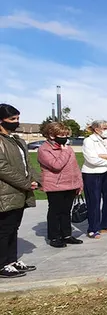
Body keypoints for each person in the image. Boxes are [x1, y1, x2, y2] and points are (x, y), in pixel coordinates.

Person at [0, 104, 37, 277]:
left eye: (17, 118)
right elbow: (3, 167)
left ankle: (11, 261)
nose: (16, 122)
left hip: (19, 190)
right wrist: (25, 183)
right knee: (4, 229)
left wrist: (35, 180)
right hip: (6, 191)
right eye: (12, 119)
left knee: (13, 227)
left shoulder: (17, 140)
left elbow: (27, 164)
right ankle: (2, 264)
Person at [38, 122, 84, 248]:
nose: (65, 137)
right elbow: (56, 165)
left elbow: (74, 167)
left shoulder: (67, 148)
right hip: (55, 185)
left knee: (66, 211)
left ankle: (67, 234)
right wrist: (64, 152)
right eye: (61, 134)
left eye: (66, 134)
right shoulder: (44, 149)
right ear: (52, 135)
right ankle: (54, 236)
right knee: (55, 212)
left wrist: (79, 183)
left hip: (71, 184)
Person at [82, 120, 107, 239]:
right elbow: (92, 159)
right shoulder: (89, 141)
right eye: (104, 128)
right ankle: (93, 228)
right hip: (93, 173)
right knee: (94, 201)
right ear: (96, 129)